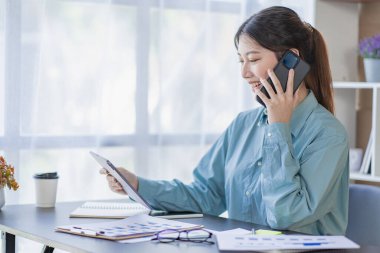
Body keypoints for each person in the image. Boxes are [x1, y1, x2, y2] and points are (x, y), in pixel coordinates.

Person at [100, 6, 349, 235]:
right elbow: (206, 196)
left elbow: (286, 216)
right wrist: (137, 185)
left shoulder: (328, 135)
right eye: (241, 61)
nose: (243, 73)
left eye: (252, 60)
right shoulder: (243, 125)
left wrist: (278, 129)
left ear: (291, 61)